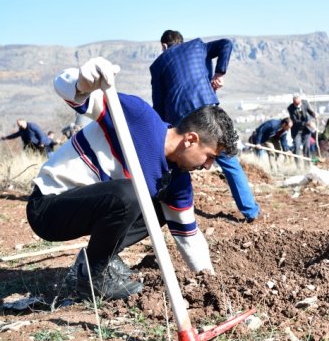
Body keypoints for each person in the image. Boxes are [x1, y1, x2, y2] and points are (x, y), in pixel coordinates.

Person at [28, 57, 238, 300]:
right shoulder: (138, 118)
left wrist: (209, 284)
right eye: (210, 156)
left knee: (158, 209)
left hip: (90, 209)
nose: (209, 166)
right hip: (49, 208)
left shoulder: (177, 180)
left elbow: (189, 237)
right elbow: (66, 89)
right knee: (132, 194)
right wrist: (82, 83)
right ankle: (95, 278)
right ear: (191, 140)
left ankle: (94, 261)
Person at [150, 30, 260, 222]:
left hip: (181, 119)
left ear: (164, 46)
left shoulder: (159, 63)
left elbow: (158, 105)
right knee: (228, 159)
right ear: (181, 41)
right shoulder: (197, 46)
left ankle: (176, 210)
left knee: (178, 162)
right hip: (208, 111)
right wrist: (219, 72)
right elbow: (226, 43)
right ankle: (251, 212)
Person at [288, 94, 317, 163]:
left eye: (298, 103)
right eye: (295, 103)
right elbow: (295, 121)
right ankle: (298, 165)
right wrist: (307, 123)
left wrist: (314, 114)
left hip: (306, 130)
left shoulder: (305, 103)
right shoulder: (290, 108)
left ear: (300, 101)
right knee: (297, 147)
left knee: (307, 147)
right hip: (296, 130)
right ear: (293, 102)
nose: (297, 105)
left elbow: (310, 111)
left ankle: (307, 164)